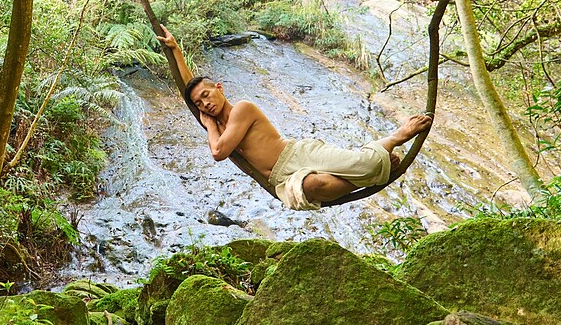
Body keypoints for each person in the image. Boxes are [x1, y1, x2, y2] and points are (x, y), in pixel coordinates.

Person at [157, 26, 432, 210]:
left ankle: (394, 138)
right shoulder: (214, 122)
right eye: (199, 104)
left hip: (295, 155)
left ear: (220, 88)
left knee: (364, 163)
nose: (204, 103)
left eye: (207, 95)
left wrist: (207, 125)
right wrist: (176, 51)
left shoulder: (240, 109)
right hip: (279, 180)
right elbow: (190, 90)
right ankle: (377, 170)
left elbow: (218, 151)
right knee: (314, 187)